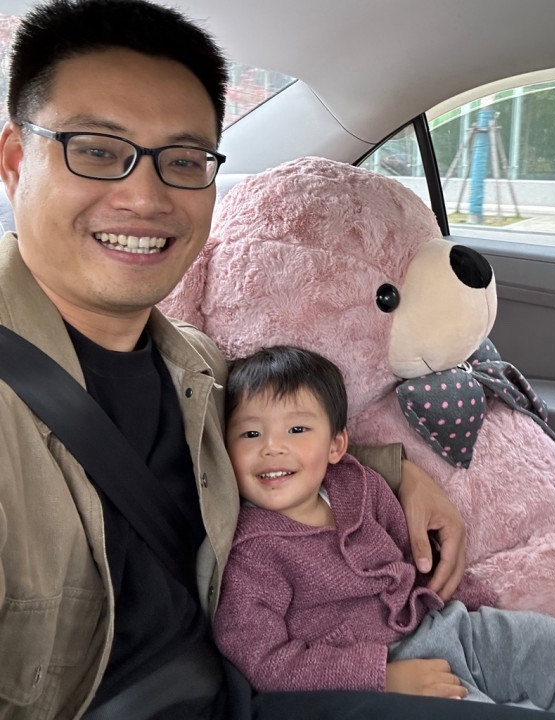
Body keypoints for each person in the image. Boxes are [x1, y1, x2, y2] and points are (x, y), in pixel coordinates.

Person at [0, 1, 492, 719]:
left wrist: (401, 472)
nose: (145, 196)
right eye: (98, 151)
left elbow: (280, 425)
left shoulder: (200, 365)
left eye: (183, 161)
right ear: (16, 162)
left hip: (243, 686)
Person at [214, 345, 555, 720]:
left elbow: (411, 556)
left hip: (439, 625)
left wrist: (462, 598)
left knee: (553, 643)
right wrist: (381, 677)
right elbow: (266, 663)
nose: (272, 447)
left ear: (336, 446)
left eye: (297, 430)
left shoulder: (359, 484)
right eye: (251, 434)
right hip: (372, 673)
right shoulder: (250, 553)